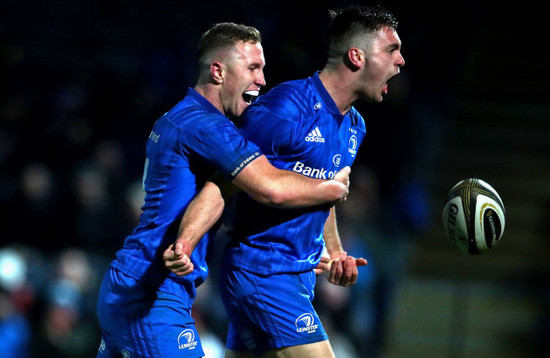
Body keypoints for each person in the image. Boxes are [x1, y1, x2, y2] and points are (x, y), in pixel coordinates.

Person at [95, 22, 352, 358]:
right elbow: (270, 186)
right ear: (218, 71)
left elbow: (221, 193)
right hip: (152, 293)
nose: (261, 80)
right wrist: (333, 187)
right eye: (253, 68)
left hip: (131, 282)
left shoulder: (179, 115)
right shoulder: (207, 126)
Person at [164, 5, 405, 358]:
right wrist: (185, 241)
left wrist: (335, 252)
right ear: (357, 56)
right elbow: (222, 184)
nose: (400, 62)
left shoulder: (355, 126)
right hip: (262, 272)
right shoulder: (285, 110)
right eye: (391, 50)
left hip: (297, 278)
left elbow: (322, 193)